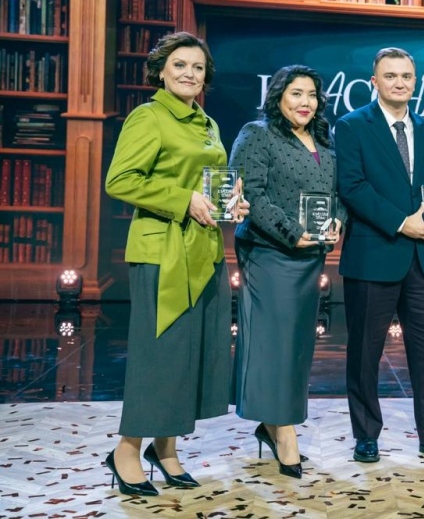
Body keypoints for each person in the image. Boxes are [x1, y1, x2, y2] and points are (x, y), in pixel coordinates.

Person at [105, 31, 248, 496]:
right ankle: (126, 450)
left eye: (198, 67)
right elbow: (120, 180)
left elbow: (208, 183)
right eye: (180, 65)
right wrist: (182, 199)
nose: (190, 74)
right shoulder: (148, 117)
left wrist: (231, 200)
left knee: (189, 357)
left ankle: (165, 449)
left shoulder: (207, 123)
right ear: (161, 72)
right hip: (161, 252)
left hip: (204, 250)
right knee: (160, 356)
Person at [335, 47, 424, 464]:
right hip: (374, 255)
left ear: (415, 81)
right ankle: (366, 435)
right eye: (390, 76)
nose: (399, 82)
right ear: (374, 81)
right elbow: (352, 187)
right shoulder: (352, 125)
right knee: (365, 355)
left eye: (406, 76)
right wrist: (400, 222)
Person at [229, 65, 346, 479]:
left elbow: (338, 195)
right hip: (270, 252)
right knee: (273, 343)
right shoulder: (257, 134)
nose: (305, 102)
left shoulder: (324, 140)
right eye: (296, 93)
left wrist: (337, 221)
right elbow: (251, 195)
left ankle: (274, 422)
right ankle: (284, 432)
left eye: (312, 95)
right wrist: (292, 233)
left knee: (295, 346)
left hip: (310, 256)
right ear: (278, 97)